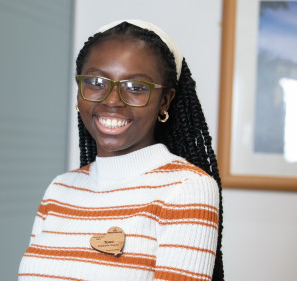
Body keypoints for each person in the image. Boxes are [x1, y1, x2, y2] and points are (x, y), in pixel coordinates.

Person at [18, 19, 224, 281]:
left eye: (136, 88)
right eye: (95, 82)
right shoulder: (60, 189)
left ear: (165, 101)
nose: (112, 100)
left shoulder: (187, 188)